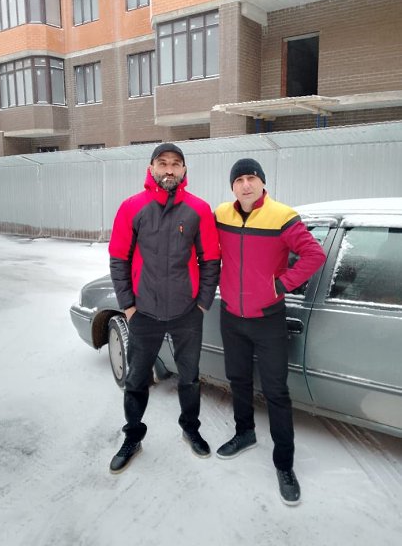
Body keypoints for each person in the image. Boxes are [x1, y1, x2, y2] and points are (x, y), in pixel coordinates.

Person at [214, 158, 326, 505]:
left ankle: (284, 464)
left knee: (276, 391)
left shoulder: (281, 216)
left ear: (263, 183)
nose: (246, 185)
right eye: (239, 180)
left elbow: (314, 254)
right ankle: (245, 433)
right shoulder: (221, 215)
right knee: (238, 380)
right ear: (232, 187)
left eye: (252, 178)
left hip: (268, 319)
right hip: (231, 315)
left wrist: (281, 284)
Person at [108, 143, 220, 474]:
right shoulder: (132, 207)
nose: (169, 169)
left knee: (190, 377)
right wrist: (128, 306)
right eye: (162, 163)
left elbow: (211, 259)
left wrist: (202, 304)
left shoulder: (199, 209)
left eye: (175, 163)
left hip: (187, 313)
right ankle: (133, 436)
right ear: (151, 168)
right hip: (144, 312)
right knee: (136, 379)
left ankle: (191, 429)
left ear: (184, 170)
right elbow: (118, 258)